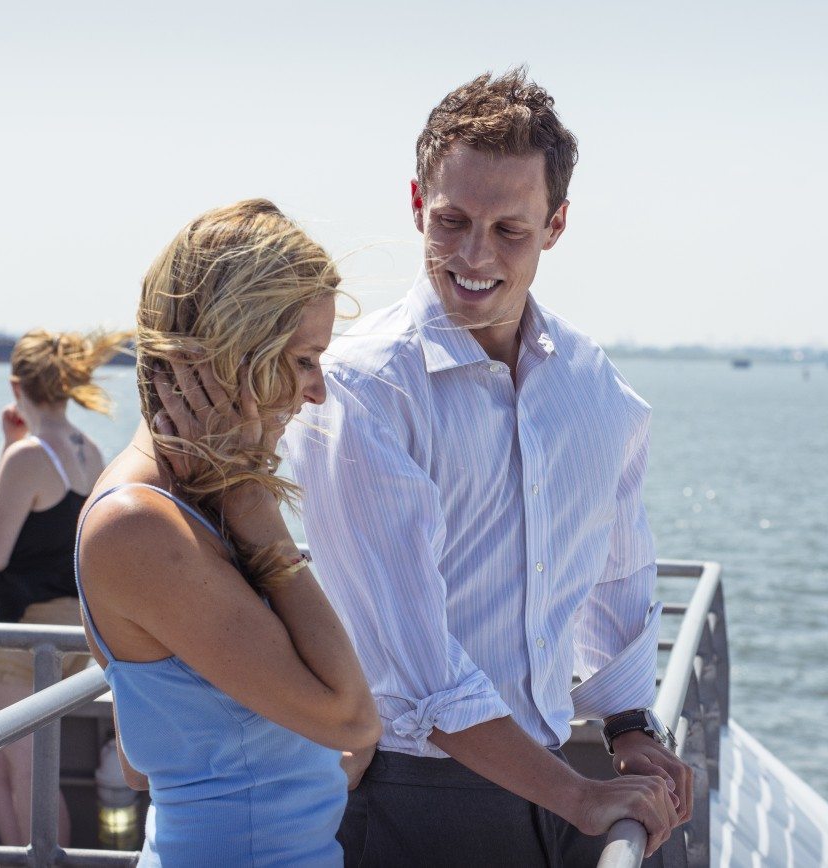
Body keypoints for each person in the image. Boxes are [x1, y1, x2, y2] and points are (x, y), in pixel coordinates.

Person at [285, 69, 693, 867]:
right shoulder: (359, 391)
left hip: (552, 778)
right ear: (416, 204)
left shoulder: (589, 381)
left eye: (510, 230)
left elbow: (613, 573)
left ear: (557, 224)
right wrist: (578, 795)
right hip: (411, 790)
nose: (474, 256)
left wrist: (629, 727)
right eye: (452, 221)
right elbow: (416, 664)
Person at [74, 199, 380, 866]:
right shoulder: (138, 527)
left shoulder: (185, 508)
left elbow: (140, 755)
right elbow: (353, 718)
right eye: (303, 359)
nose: (317, 391)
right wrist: (251, 501)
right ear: (230, 353)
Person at [0, 327, 128, 847]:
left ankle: (44, 862)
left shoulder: (28, 457)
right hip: (70, 631)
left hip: (20, 634)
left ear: (16, 384)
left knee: (30, 776)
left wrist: (8, 449)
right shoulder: (91, 450)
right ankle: (11, 859)